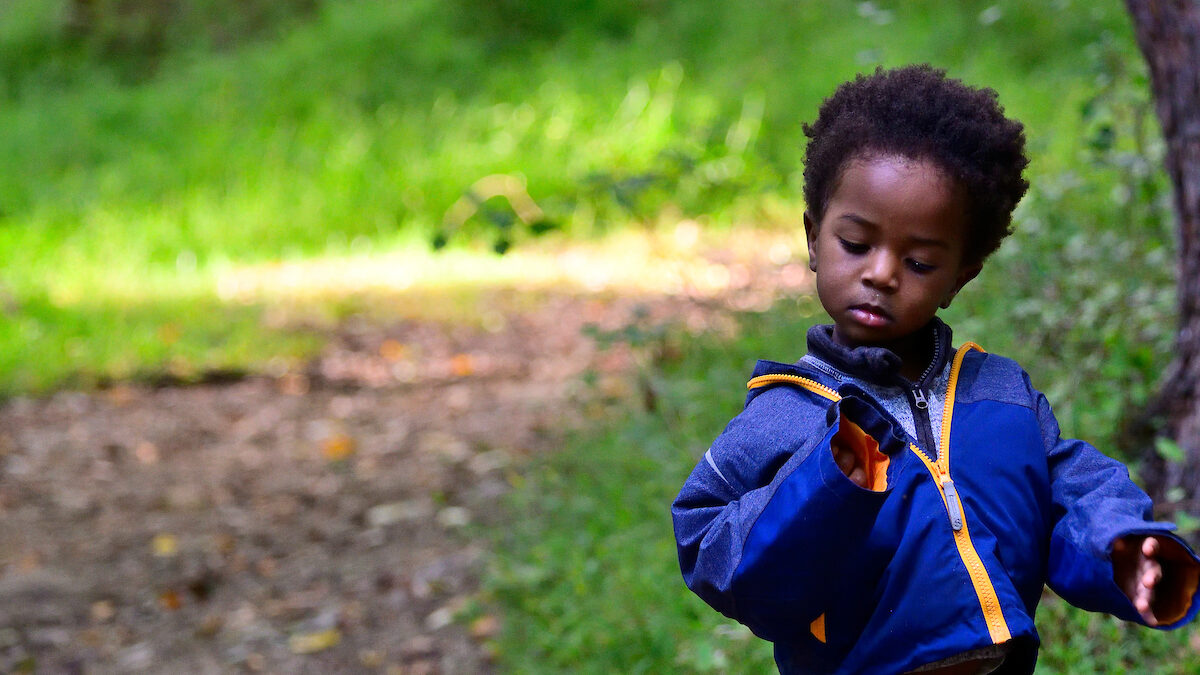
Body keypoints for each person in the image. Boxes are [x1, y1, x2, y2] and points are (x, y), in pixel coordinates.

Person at [671, 64, 1200, 674]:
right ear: (814, 239)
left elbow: (1071, 491)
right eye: (856, 244)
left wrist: (1121, 551)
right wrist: (826, 486)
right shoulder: (785, 417)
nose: (882, 274)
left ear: (961, 277)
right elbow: (712, 550)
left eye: (919, 262)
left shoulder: (1002, 396)